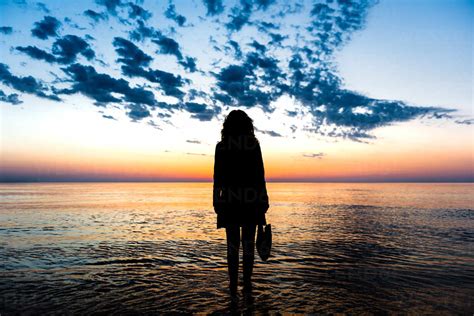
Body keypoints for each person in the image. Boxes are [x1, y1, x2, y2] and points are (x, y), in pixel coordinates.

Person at [213, 110, 269, 296]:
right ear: (248, 125)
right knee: (248, 244)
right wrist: (264, 199)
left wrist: (216, 200)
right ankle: (246, 284)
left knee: (232, 245)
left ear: (227, 126)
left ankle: (232, 286)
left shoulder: (222, 146)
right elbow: (259, 175)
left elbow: (218, 178)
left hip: (229, 200)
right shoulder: (253, 145)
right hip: (251, 199)